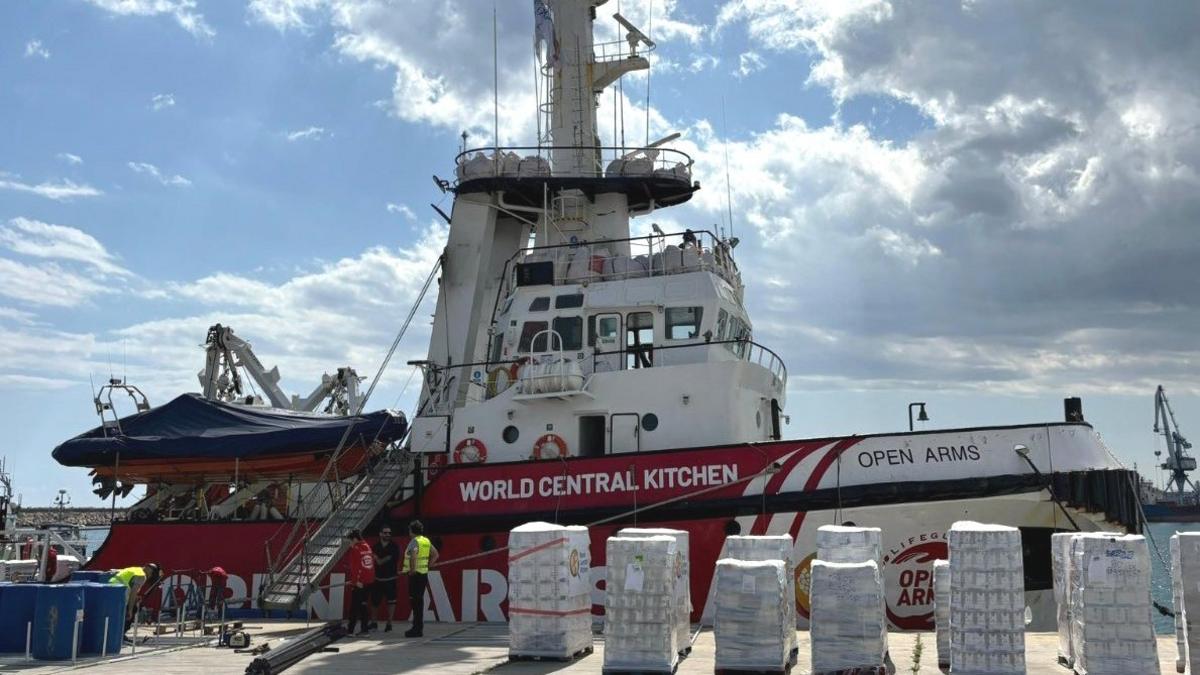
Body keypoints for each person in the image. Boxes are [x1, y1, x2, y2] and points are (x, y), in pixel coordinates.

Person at [401, 520, 438, 638]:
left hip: (415, 575)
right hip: (423, 575)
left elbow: (414, 554)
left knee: (415, 602)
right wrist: (429, 564)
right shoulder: (426, 540)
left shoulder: (414, 541)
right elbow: (435, 554)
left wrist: (412, 570)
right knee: (419, 602)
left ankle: (416, 629)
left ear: (411, 531)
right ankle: (418, 627)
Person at [111, 563, 162, 631]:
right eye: (152, 573)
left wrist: (135, 598)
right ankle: (122, 632)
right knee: (133, 609)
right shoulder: (142, 576)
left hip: (111, 587)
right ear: (149, 570)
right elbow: (133, 593)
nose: (150, 576)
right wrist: (130, 610)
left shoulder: (136, 569)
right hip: (119, 591)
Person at [370, 526, 401, 632]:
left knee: (391, 601)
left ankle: (389, 623)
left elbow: (380, 561)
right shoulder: (375, 546)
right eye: (385, 533)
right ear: (380, 534)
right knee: (374, 602)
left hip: (390, 578)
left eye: (389, 533)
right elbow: (375, 560)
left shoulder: (394, 547)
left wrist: (379, 559)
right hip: (377, 579)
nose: (388, 534)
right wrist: (383, 559)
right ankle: (374, 623)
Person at [345, 529, 375, 636]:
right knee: (363, 605)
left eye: (349, 541)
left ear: (354, 539)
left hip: (360, 583)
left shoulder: (355, 549)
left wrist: (355, 582)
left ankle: (350, 631)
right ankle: (364, 629)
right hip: (369, 582)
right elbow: (369, 566)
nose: (349, 544)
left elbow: (354, 568)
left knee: (354, 607)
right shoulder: (367, 546)